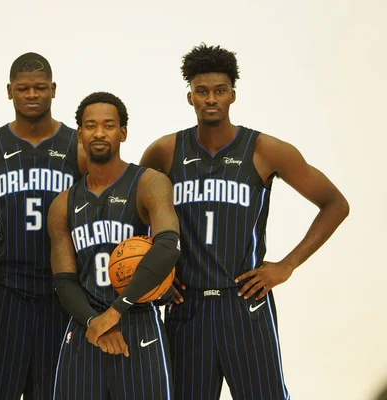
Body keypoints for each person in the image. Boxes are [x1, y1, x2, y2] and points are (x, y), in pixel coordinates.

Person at [140, 44, 350, 399]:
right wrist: (156, 275)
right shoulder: (164, 151)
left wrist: (286, 265)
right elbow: (137, 214)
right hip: (185, 306)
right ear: (189, 96)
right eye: (202, 91)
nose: (211, 99)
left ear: (232, 95)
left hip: (244, 303)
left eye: (219, 91)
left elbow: (335, 204)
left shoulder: (265, 150)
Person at [0, 52, 85, 399]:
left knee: (57, 391)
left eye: (39, 88)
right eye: (23, 89)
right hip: (6, 291)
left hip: (60, 292)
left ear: (53, 89)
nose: (31, 95)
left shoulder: (77, 147)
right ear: (9, 91)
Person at [48, 92, 181, 399]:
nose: (98, 132)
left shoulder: (149, 183)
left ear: (122, 132)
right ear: (79, 133)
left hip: (138, 321)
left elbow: (169, 246)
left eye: (108, 125)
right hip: (85, 324)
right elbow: (64, 281)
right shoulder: (62, 204)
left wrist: (117, 310)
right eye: (90, 125)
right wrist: (96, 321)